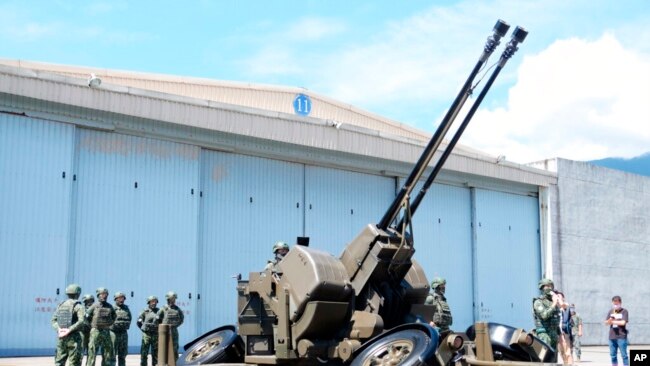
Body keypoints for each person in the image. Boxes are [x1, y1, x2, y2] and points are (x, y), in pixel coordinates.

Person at [51, 283, 86, 366]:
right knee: (74, 363)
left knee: (59, 362)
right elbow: (82, 321)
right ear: (78, 294)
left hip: (61, 337)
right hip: (74, 339)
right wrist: (69, 330)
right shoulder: (78, 306)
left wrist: (59, 329)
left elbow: (53, 320)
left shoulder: (61, 305)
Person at [86, 287, 117, 366]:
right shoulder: (94, 306)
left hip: (106, 332)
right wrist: (92, 326)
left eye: (106, 294)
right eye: (102, 294)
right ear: (98, 295)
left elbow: (114, 316)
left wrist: (109, 324)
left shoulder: (110, 306)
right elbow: (86, 317)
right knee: (92, 352)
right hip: (95, 331)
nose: (104, 296)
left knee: (107, 353)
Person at [532, 278, 561, 351]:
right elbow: (544, 315)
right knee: (545, 358)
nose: (550, 288)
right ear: (542, 287)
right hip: (544, 334)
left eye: (551, 286)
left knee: (553, 360)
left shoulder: (552, 301)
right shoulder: (538, 302)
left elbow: (557, 319)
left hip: (554, 335)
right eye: (547, 286)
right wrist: (554, 304)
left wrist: (559, 334)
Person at [158, 291, 184, 362]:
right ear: (168, 299)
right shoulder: (163, 308)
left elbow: (181, 319)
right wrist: (163, 327)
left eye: (174, 299)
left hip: (174, 331)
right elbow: (157, 319)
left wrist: (175, 326)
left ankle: (175, 363)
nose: (174, 300)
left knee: (174, 348)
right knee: (164, 348)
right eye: (172, 299)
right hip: (164, 332)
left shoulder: (177, 309)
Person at [605, 295, 629, 366]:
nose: (615, 305)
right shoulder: (610, 311)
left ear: (620, 303)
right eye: (614, 303)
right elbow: (606, 322)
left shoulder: (624, 311)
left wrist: (612, 322)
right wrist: (609, 320)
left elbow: (623, 322)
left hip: (621, 337)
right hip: (612, 337)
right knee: (613, 356)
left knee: (624, 356)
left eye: (617, 303)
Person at [110, 292, 132, 366]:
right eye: (119, 298)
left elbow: (130, 318)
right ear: (115, 299)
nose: (121, 300)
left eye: (122, 298)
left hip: (123, 333)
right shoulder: (111, 308)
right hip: (113, 333)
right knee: (112, 354)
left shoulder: (126, 308)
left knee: (122, 355)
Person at [137, 296, 160, 366]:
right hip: (146, 335)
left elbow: (162, 321)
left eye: (155, 301)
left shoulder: (159, 311)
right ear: (149, 302)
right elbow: (139, 322)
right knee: (144, 353)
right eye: (152, 301)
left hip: (156, 335)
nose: (154, 303)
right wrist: (144, 330)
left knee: (156, 354)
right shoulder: (144, 311)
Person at [555, 291, 573, 364]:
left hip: (565, 333)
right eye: (557, 296)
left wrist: (559, 300)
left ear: (563, 298)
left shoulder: (566, 305)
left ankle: (570, 364)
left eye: (559, 296)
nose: (558, 297)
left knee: (568, 352)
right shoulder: (555, 307)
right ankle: (566, 363)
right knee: (561, 352)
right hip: (557, 333)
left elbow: (564, 305)